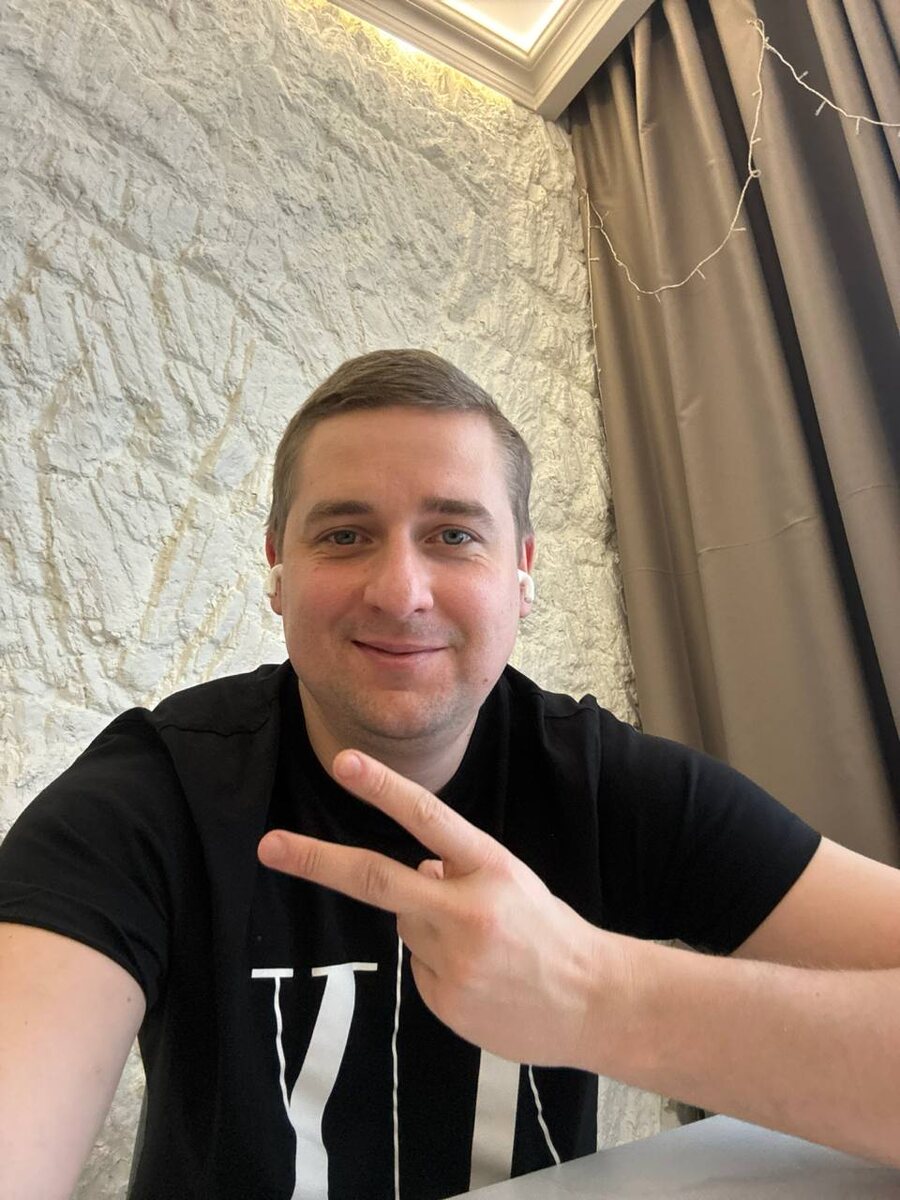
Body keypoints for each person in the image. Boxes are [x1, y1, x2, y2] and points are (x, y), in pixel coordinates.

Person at [1, 350, 898, 1200]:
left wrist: (597, 994)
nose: (400, 592)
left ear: (522, 574)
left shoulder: (599, 782)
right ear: (279, 568)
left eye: (454, 535)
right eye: (345, 534)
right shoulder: (151, 797)